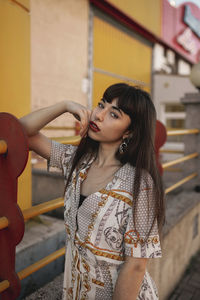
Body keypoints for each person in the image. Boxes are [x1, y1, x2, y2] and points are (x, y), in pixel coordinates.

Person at [20, 83, 165, 300]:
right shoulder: (77, 161)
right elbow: (22, 132)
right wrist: (65, 105)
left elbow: (135, 265)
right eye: (101, 105)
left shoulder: (139, 183)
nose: (98, 115)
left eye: (113, 114)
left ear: (129, 131)